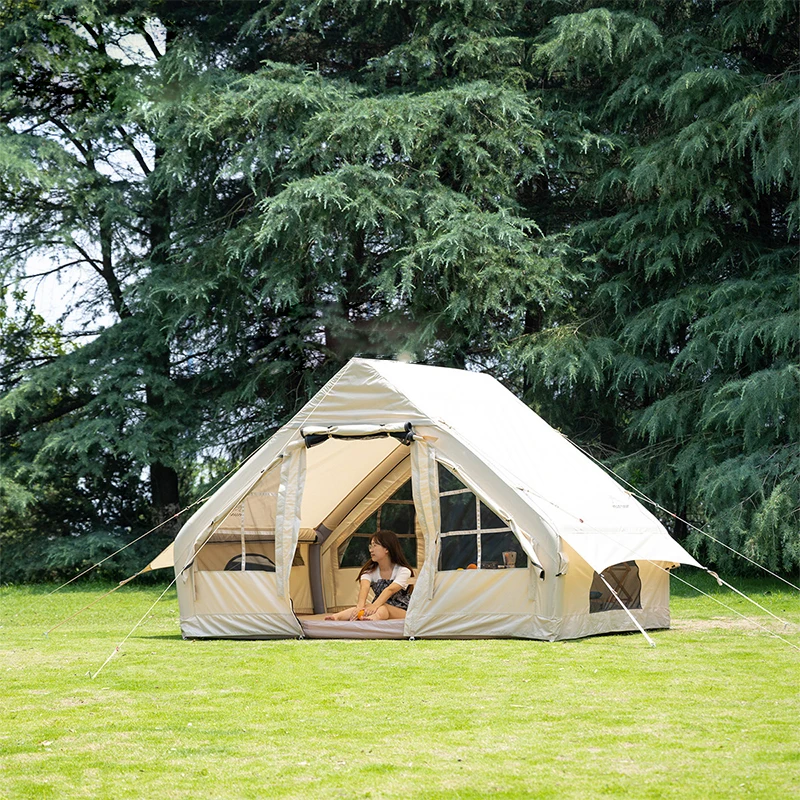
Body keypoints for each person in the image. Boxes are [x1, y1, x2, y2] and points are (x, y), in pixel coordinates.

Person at [325, 531, 414, 621]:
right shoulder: (370, 571)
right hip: (378, 605)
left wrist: (374, 605)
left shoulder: (403, 571)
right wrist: (360, 607)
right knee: (363, 608)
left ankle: (371, 619)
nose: (371, 550)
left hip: (402, 610)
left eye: (375, 546)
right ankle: (337, 617)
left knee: (383, 608)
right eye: (370, 546)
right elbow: (364, 588)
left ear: (386, 549)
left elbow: (390, 590)